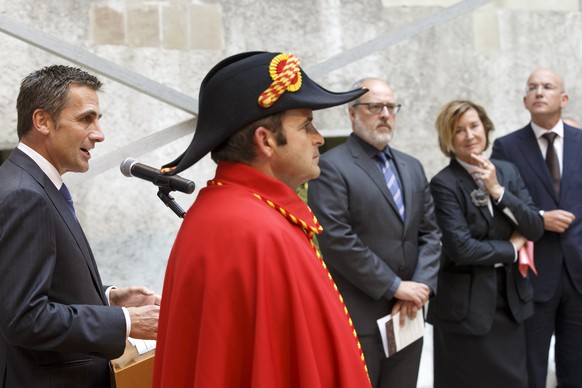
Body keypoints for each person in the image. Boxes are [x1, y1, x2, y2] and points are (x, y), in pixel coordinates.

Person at [152, 52, 372, 388]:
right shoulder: (256, 230)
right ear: (265, 141)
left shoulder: (234, 210)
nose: (319, 138)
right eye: (306, 124)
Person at [0, 65, 160, 388]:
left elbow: (34, 287)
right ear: (42, 121)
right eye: (86, 119)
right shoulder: (24, 194)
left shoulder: (31, 183)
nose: (99, 133)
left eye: (98, 119)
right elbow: (24, 318)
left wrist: (107, 298)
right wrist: (126, 321)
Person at [307, 77, 441, 388]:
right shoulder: (331, 167)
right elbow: (337, 239)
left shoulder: (413, 166)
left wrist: (419, 287)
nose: (385, 114)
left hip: (409, 315)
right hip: (360, 316)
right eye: (375, 107)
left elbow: (431, 233)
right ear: (352, 113)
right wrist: (394, 286)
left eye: (391, 107)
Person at [427, 100, 544, 387]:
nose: (469, 135)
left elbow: (535, 227)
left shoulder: (507, 172)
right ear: (449, 139)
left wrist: (497, 191)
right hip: (466, 311)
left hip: (510, 303)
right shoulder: (444, 183)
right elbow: (461, 248)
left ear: (485, 127)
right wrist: (513, 250)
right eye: (459, 130)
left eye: (474, 126)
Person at [491, 68, 582, 388]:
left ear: (564, 98)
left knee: (576, 369)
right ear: (525, 100)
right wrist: (539, 217)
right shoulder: (506, 147)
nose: (539, 92)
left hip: (578, 276)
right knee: (530, 369)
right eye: (532, 87)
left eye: (547, 86)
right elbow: (497, 205)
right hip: (533, 275)